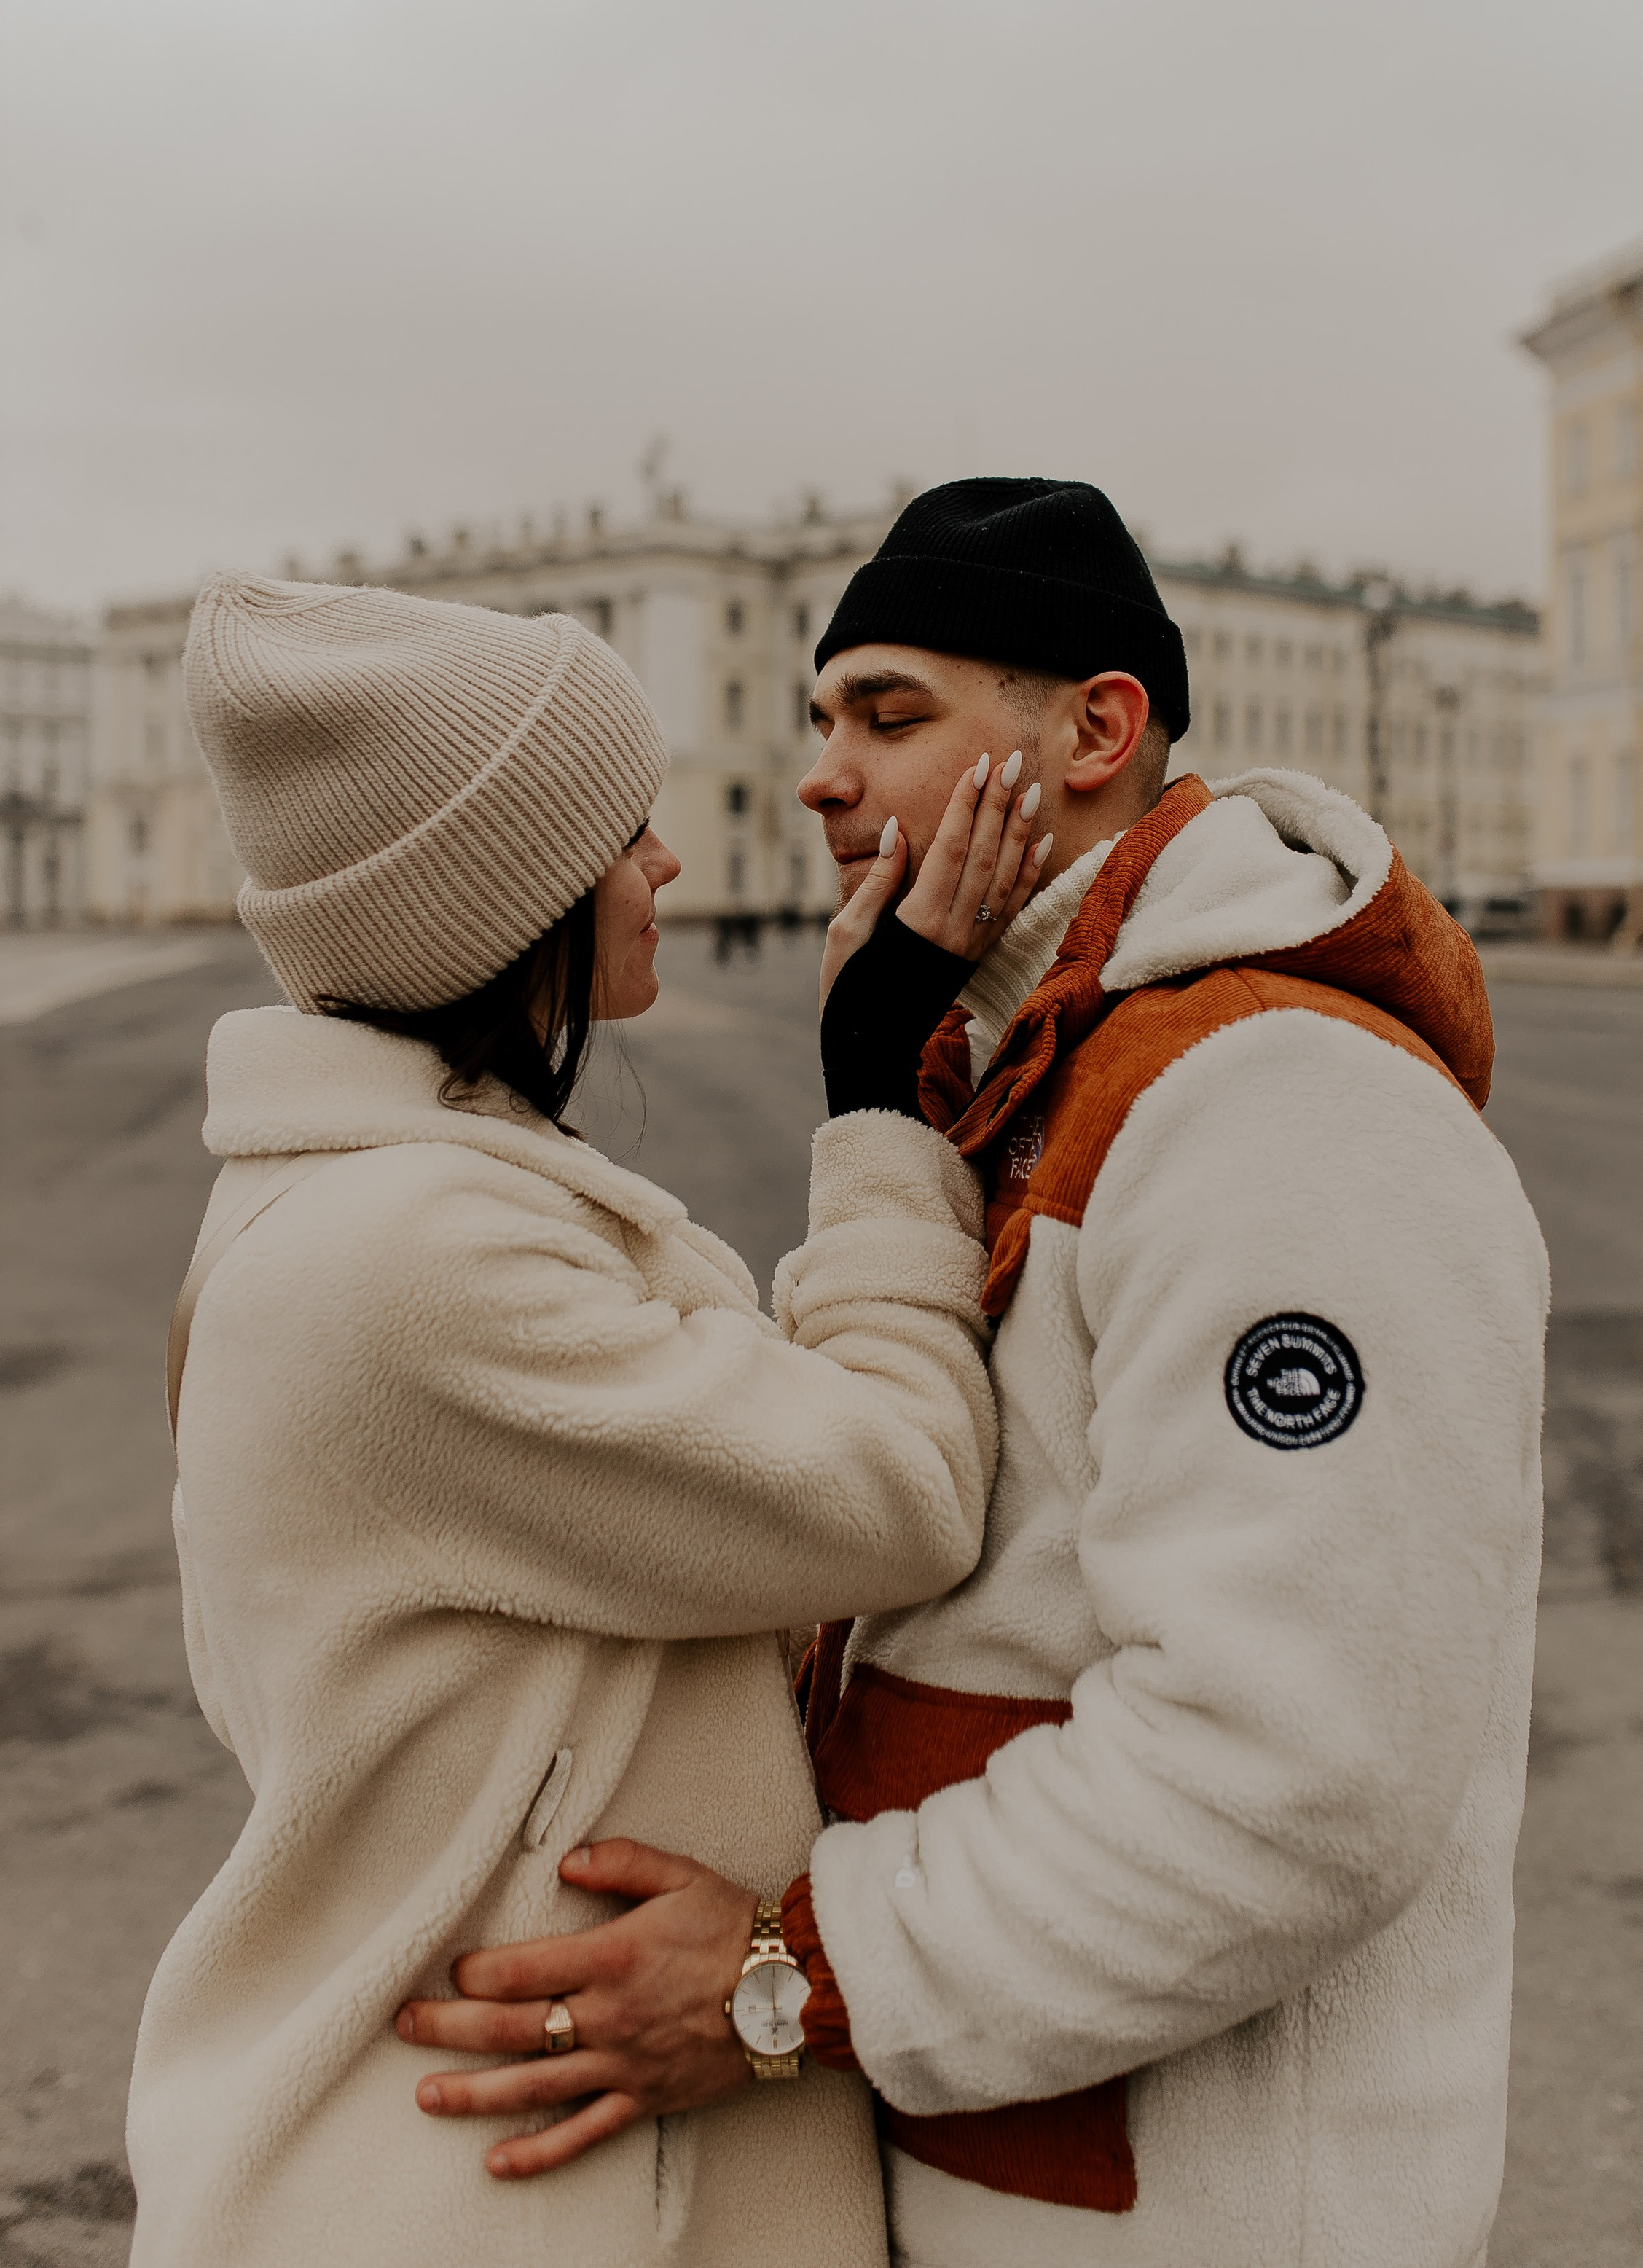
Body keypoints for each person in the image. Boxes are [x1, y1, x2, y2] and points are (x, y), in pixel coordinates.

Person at [406, 478, 1550, 2268]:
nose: (816, 777)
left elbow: (1294, 1766)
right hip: (1022, 2167)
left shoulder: (1275, 1101)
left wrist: (788, 1971)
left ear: (1096, 727)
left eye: (887, 712)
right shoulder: (1035, 1070)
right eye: (813, 720)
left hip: (1207, 2214)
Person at [125, 568, 1046, 2268]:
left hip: (488, 2164)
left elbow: (724, 1452)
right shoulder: (415, 1254)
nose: (668, 865)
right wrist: (876, 1103)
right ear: (502, 896)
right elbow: (896, 1485)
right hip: (490, 2201)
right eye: (623, 832)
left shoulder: (386, 1203)